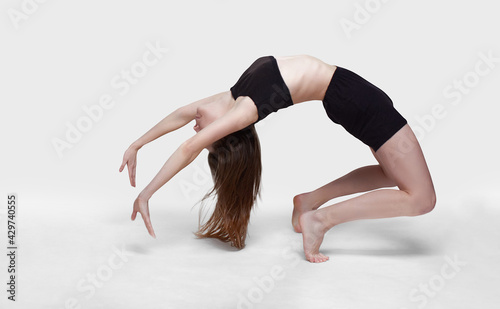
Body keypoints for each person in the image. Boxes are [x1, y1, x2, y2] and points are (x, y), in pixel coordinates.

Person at [119, 54, 436, 263]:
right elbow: (188, 147)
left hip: (349, 94)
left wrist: (138, 143)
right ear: (222, 133)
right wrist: (147, 193)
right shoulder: (243, 111)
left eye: (202, 135)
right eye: (208, 140)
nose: (195, 127)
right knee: (421, 198)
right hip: (354, 98)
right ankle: (319, 219)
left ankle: (309, 201)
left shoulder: (229, 97)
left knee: (398, 176)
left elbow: (177, 116)